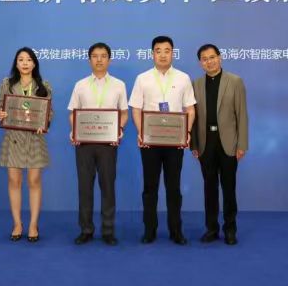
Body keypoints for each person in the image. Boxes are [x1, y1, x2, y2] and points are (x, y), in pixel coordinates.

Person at [128, 36, 196, 245]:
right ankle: (150, 230)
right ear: (152, 54)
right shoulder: (142, 78)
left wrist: (186, 132)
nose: (163, 55)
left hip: (175, 143)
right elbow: (136, 108)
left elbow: (190, 109)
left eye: (167, 50)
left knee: (173, 188)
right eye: (158, 51)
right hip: (150, 142)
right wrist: (141, 132)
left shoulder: (183, 78)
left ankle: (176, 231)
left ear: (173, 53)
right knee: (150, 187)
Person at [67, 42, 129, 246]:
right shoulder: (80, 85)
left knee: (108, 186)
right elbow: (72, 113)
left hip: (108, 144)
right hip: (84, 143)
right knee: (85, 187)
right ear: (89, 60)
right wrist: (75, 131)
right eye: (95, 56)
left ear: (109, 60)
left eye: (103, 56)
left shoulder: (119, 85)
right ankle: (86, 229)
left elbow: (124, 113)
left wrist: (119, 129)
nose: (99, 59)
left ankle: (108, 231)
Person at [191, 44, 248, 246]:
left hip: (229, 142)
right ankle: (212, 229)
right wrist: (194, 144)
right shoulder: (196, 84)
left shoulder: (235, 81)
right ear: (201, 63)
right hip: (205, 143)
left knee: (229, 188)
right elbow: (193, 117)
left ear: (220, 58)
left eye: (212, 57)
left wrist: (242, 144)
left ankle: (230, 229)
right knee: (209, 188)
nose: (209, 61)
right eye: (205, 59)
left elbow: (242, 114)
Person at [0, 47, 53, 243]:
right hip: (14, 137)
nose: (25, 63)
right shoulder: (7, 84)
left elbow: (49, 112)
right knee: (14, 181)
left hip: (35, 139)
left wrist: (44, 123)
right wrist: (0, 114)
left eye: (29, 59)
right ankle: (17, 224)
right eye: (21, 60)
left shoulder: (44, 85)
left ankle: (33, 224)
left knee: (34, 181)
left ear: (34, 63)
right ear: (16, 63)